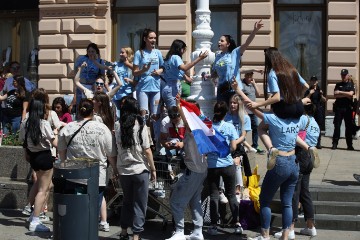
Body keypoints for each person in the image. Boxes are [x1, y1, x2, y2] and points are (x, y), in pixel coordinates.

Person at [246, 101, 309, 240]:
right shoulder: (298, 120)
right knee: (287, 202)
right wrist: (301, 101)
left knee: (265, 199)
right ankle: (285, 235)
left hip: (279, 161)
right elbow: (306, 118)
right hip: (294, 161)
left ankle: (265, 235)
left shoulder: (275, 119)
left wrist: (247, 99)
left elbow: (258, 114)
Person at [58, 99, 117, 232]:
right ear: (93, 112)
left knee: (74, 210)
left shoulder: (68, 127)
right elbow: (111, 154)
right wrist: (115, 169)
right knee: (92, 211)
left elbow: (61, 151)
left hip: (73, 175)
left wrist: (65, 164)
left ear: (79, 111)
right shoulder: (103, 129)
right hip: (96, 177)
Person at [274, 103, 320, 239]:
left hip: (300, 154)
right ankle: (311, 226)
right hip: (310, 156)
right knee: (305, 191)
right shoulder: (315, 124)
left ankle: (291, 228)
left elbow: (293, 135)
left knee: (294, 192)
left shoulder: (302, 119)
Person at [165, 96, 208, 240]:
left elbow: (186, 119)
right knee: (195, 201)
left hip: (193, 170)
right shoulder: (203, 125)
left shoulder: (194, 127)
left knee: (176, 201)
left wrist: (179, 105)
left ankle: (179, 232)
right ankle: (197, 231)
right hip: (201, 169)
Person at [114, 96, 156, 240]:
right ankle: (136, 235)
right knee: (140, 204)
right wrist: (153, 169)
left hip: (124, 170)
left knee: (127, 201)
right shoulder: (140, 124)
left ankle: (124, 231)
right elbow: (147, 149)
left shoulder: (118, 125)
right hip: (140, 169)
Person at [19, 99, 58, 232]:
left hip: (33, 157)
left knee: (38, 184)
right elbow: (54, 142)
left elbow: (22, 141)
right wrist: (58, 135)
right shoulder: (44, 123)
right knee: (44, 189)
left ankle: (31, 212)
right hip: (45, 157)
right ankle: (35, 220)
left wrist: (26, 153)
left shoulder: (25, 123)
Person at [206, 101, 243, 236]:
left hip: (212, 165)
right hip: (227, 164)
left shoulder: (208, 127)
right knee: (232, 194)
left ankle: (214, 225)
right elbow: (233, 147)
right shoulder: (229, 126)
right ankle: (237, 224)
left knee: (214, 196)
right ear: (225, 113)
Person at [206, 20, 263, 104]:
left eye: (222, 41)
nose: (219, 42)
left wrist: (255, 30)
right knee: (222, 111)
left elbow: (247, 43)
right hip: (222, 89)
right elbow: (216, 73)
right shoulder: (217, 55)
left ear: (228, 44)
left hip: (234, 89)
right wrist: (209, 76)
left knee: (236, 111)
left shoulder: (235, 53)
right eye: (219, 40)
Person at [161, 39, 208, 108]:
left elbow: (183, 75)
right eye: (184, 49)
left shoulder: (168, 58)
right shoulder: (176, 57)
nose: (184, 51)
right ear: (180, 49)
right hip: (173, 88)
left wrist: (195, 81)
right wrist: (199, 58)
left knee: (172, 110)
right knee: (174, 112)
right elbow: (184, 68)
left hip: (167, 87)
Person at [133, 28, 164, 121]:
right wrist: (143, 70)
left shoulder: (157, 52)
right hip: (143, 88)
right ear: (145, 39)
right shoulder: (139, 53)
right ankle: (143, 135)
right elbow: (134, 72)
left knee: (155, 115)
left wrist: (160, 71)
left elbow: (164, 67)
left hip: (156, 87)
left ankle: (156, 136)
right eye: (151, 38)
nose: (153, 40)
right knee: (144, 115)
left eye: (155, 38)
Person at [241, 70, 266, 154]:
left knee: (255, 127)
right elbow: (240, 98)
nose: (249, 78)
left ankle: (255, 145)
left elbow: (259, 94)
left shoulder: (252, 84)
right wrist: (244, 110)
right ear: (245, 76)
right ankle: (243, 145)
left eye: (250, 77)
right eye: (247, 76)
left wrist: (255, 84)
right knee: (244, 129)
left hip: (253, 111)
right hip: (245, 111)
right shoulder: (242, 85)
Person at [332, 69, 355, 150]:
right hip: (339, 108)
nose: (343, 76)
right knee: (337, 126)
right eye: (342, 75)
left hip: (348, 108)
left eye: (345, 75)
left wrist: (340, 93)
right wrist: (346, 94)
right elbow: (335, 95)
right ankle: (335, 143)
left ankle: (349, 145)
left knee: (348, 127)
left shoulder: (350, 84)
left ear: (348, 75)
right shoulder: (338, 84)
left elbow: (351, 94)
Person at [111, 47, 136, 120]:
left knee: (126, 114)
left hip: (127, 93)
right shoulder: (116, 64)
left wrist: (130, 80)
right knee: (116, 115)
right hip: (117, 92)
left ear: (128, 54)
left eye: (122, 52)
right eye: (120, 52)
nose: (120, 54)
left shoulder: (132, 65)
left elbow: (136, 82)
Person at [304, 76, 326, 149]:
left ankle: (318, 143)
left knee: (318, 126)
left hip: (318, 109)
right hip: (310, 110)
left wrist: (321, 95)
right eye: (312, 80)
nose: (313, 82)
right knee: (309, 125)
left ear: (317, 82)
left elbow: (324, 100)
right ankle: (309, 141)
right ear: (310, 82)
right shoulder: (308, 90)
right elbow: (305, 99)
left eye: (315, 81)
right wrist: (310, 94)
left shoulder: (319, 90)